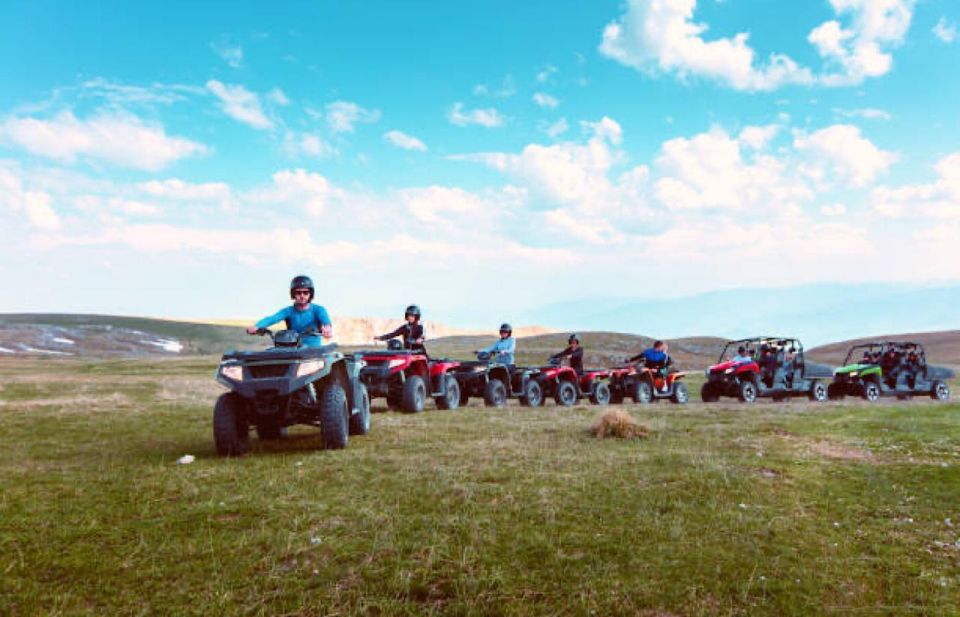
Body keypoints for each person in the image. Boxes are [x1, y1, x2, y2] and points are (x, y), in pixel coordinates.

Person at [247, 275, 332, 348]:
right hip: (293, 350)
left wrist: (327, 328)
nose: (302, 296)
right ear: (293, 294)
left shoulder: (318, 309)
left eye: (305, 292)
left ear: (310, 294)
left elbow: (325, 320)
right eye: (298, 293)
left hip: (314, 352)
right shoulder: (288, 311)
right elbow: (273, 318)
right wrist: (257, 326)